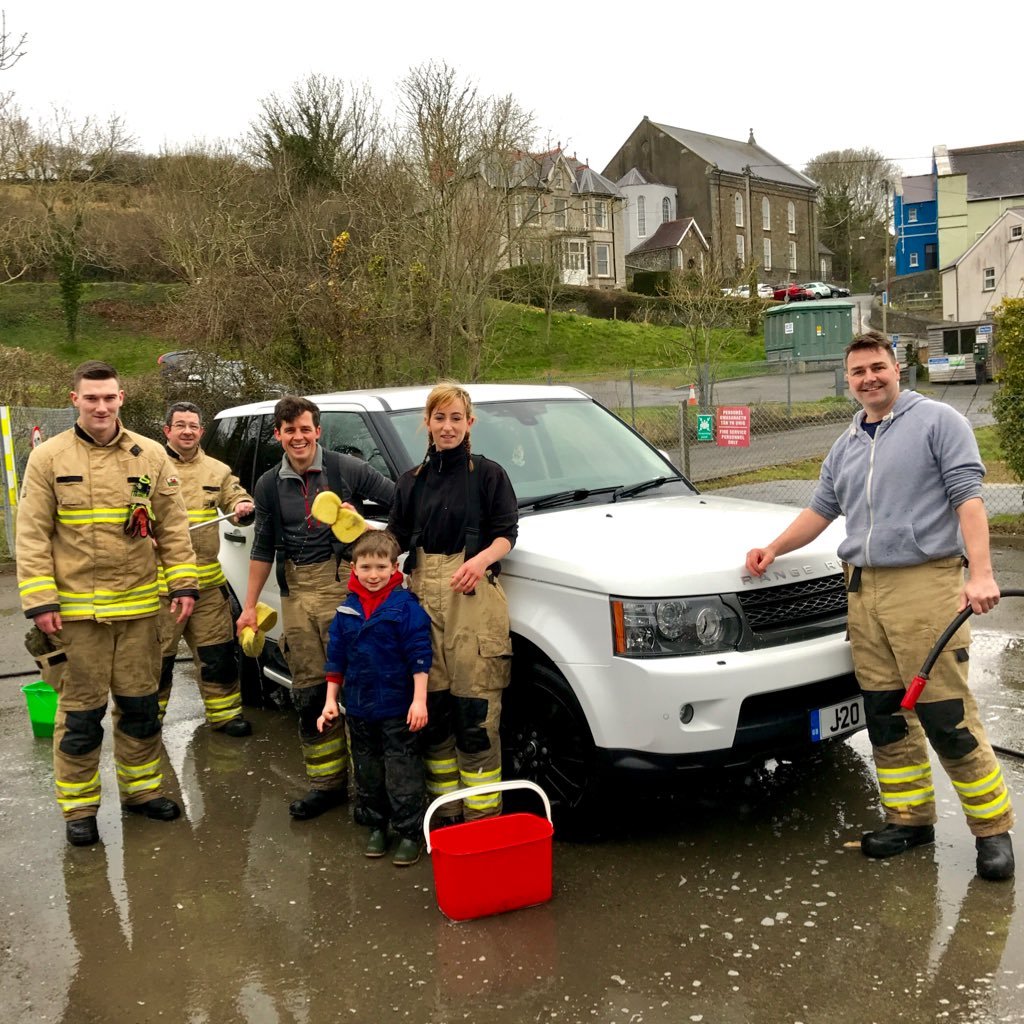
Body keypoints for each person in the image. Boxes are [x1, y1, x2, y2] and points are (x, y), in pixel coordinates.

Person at [744, 332, 1014, 881]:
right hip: (863, 594)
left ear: (897, 369)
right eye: (857, 372)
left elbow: (969, 499)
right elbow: (821, 510)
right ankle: (910, 820)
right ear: (848, 381)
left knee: (946, 714)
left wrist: (982, 574)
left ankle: (992, 833)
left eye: (877, 367)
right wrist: (774, 547)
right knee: (888, 718)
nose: (868, 378)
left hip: (925, 587)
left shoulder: (938, 423)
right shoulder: (846, 445)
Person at [15, 361, 198, 847]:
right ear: (74, 399)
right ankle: (79, 810)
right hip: (77, 621)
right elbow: (31, 535)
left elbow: (173, 528)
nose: (101, 406)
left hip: (140, 616)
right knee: (80, 719)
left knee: (140, 711)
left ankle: (140, 794)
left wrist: (183, 585)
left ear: (121, 399)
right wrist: (39, 600)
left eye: (109, 397)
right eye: (91, 398)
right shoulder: (49, 457)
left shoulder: (150, 454)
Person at [236, 395, 395, 819]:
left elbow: (402, 507)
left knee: (359, 692)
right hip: (296, 597)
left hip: (345, 591)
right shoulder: (269, 484)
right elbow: (262, 547)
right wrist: (249, 607)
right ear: (278, 435)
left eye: (305, 428)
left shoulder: (347, 469)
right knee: (308, 693)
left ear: (317, 430)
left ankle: (370, 794)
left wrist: (362, 525)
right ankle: (326, 786)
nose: (298, 436)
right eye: (289, 430)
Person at [387, 381, 518, 823]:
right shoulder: (411, 482)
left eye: (456, 418)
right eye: (439, 418)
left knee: (475, 716)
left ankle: (484, 822)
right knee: (436, 716)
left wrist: (480, 561)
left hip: (473, 602)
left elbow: (506, 534)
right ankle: (446, 820)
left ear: (469, 423)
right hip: (422, 601)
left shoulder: (489, 475)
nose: (447, 427)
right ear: (426, 424)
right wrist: (366, 546)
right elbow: (395, 540)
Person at [317, 529, 431, 865]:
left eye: (381, 567)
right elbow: (336, 659)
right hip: (360, 708)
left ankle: (410, 832)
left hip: (398, 708)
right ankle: (377, 826)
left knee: (402, 770)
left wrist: (419, 700)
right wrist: (329, 702)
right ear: (354, 568)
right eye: (365, 567)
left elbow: (420, 654)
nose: (373, 575)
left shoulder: (405, 606)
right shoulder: (346, 611)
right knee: (366, 770)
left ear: (395, 567)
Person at [157, 401, 255, 736]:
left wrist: (243, 504)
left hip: (208, 588)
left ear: (201, 431)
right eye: (180, 424)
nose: (187, 431)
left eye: (193, 425)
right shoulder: (148, 467)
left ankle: (225, 716)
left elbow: (236, 495)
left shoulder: (218, 470)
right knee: (155, 664)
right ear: (167, 430)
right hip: (161, 589)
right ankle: (147, 723)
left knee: (219, 657)